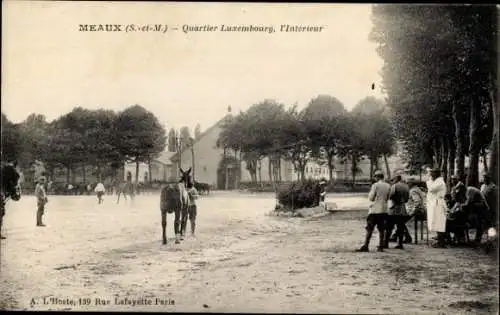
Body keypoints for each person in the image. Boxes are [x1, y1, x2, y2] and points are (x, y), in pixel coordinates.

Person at [356, 170, 391, 252]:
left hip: (375, 209)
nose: (375, 178)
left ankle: (366, 245)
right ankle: (381, 246)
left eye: (375, 177)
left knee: (370, 228)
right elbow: (388, 197)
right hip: (384, 209)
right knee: (382, 228)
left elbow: (371, 198)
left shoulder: (375, 185)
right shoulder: (388, 185)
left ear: (377, 177)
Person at [385, 171, 410, 249]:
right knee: (400, 227)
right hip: (402, 208)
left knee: (389, 226)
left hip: (394, 208)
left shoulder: (394, 186)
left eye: (393, 179)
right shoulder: (406, 186)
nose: (392, 180)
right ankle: (400, 244)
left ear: (396, 178)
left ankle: (385, 243)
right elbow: (407, 199)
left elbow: (390, 196)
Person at [426, 167, 448, 248]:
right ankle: (440, 241)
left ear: (437, 174)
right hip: (435, 204)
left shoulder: (440, 182)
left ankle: (442, 243)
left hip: (438, 204)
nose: (431, 174)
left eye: (433, 173)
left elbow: (431, 189)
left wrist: (428, 180)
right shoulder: (436, 181)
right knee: (436, 223)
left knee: (439, 223)